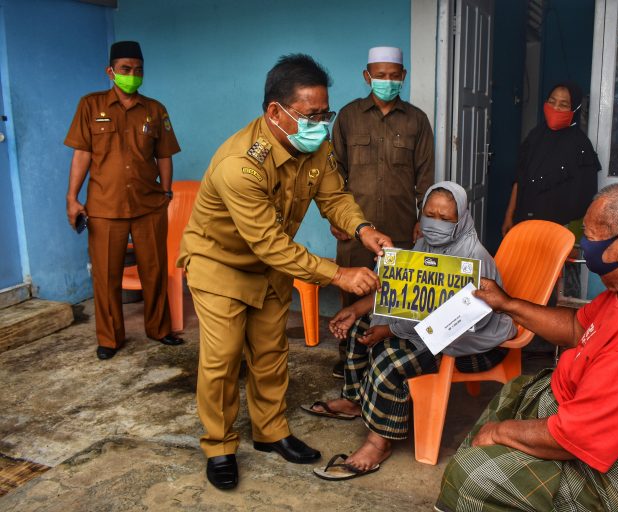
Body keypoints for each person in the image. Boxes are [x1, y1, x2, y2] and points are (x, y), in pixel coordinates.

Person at [177, 54, 394, 491]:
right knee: (221, 362)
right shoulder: (241, 165)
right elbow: (271, 243)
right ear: (275, 112)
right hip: (220, 265)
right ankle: (219, 446)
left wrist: (363, 228)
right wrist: (339, 275)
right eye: (311, 115)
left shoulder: (315, 146)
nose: (321, 123)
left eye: (325, 113)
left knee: (271, 353)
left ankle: (270, 432)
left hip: (270, 268)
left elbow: (335, 195)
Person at [436, 182, 618, 512]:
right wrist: (507, 304)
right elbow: (575, 328)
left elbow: (575, 437)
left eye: (590, 235)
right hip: (589, 422)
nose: (583, 244)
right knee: (514, 394)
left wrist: (500, 433)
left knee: (472, 477)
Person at [304, 181, 516, 480]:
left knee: (388, 358)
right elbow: (403, 294)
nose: (435, 224)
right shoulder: (426, 246)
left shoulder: (473, 258)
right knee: (359, 331)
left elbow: (452, 321)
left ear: (462, 219)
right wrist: (356, 310)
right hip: (428, 331)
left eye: (445, 218)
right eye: (429, 215)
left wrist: (390, 331)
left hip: (468, 344)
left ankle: (380, 441)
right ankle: (355, 400)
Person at [64, 41, 183, 361]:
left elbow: (165, 155)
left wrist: (166, 192)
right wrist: (72, 198)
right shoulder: (90, 106)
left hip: (148, 205)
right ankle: (109, 338)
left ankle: (159, 329)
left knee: (155, 271)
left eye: (138, 70)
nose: (133, 75)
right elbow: (82, 154)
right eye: (126, 69)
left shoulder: (155, 109)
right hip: (104, 207)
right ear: (111, 72)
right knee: (106, 276)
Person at [329, 46, 435, 378]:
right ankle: (348, 358)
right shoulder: (347, 117)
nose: (386, 81)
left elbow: (426, 175)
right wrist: (335, 217)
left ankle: (386, 358)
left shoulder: (417, 120)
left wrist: (424, 218)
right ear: (367, 76)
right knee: (352, 293)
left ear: (403, 76)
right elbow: (334, 173)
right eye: (380, 76)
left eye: (393, 76)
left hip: (401, 227)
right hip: (354, 229)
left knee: (393, 296)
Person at [501, 82, 600, 236]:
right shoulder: (535, 136)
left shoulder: (581, 146)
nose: (555, 108)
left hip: (558, 231)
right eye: (552, 102)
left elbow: (584, 199)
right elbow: (519, 179)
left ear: (574, 108)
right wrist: (509, 216)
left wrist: (572, 238)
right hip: (524, 222)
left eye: (563, 104)